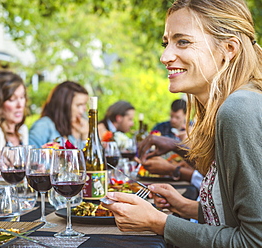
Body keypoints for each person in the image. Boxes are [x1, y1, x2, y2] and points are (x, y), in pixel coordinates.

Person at [103, 0, 262, 247]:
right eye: (166, 43)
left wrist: (159, 223)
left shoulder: (238, 109)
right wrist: (187, 207)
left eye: (183, 41)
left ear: (229, 48)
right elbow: (238, 219)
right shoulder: (236, 104)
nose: (165, 56)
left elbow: (253, 241)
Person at [29, 81, 89, 149]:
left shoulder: (76, 127)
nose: (85, 109)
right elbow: (30, 156)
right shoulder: (43, 126)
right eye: (79, 105)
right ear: (63, 105)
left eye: (85, 104)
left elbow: (83, 158)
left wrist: (84, 136)